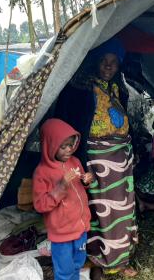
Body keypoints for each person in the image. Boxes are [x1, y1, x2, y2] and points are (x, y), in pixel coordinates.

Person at [55, 38, 137, 279]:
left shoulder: (118, 89)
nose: (109, 66)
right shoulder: (81, 90)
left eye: (113, 62)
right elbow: (69, 126)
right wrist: (77, 162)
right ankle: (103, 260)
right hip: (96, 161)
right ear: (95, 63)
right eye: (104, 61)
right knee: (102, 212)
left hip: (121, 159)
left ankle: (122, 258)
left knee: (123, 210)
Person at [33, 118, 94, 280]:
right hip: (62, 235)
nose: (69, 150)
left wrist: (86, 180)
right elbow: (40, 205)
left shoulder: (75, 161)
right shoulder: (42, 173)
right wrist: (61, 186)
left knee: (78, 264)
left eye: (71, 144)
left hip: (80, 228)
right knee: (64, 271)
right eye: (63, 146)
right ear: (50, 145)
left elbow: (81, 186)